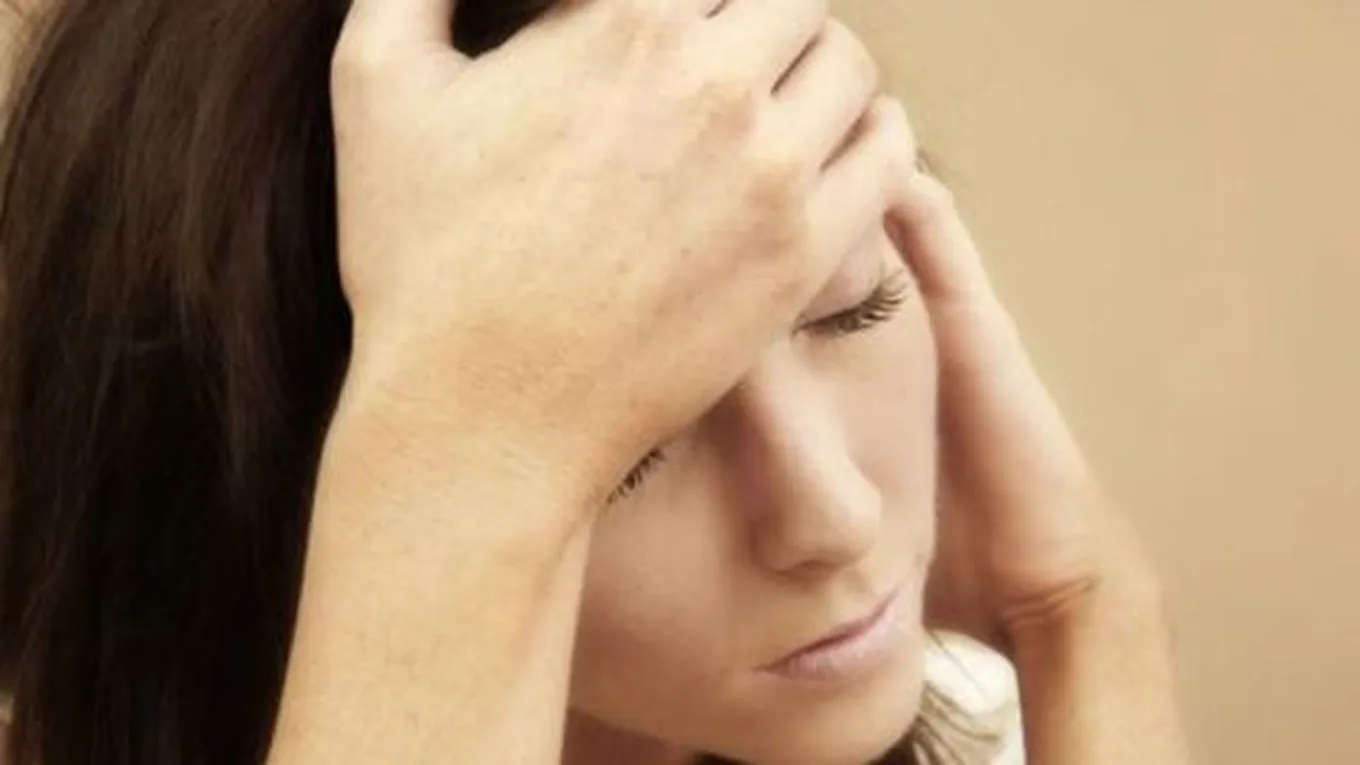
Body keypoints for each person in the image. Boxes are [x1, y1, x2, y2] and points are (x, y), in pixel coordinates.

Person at [0, 0, 1192, 763]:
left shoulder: (993, 717)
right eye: (634, 449)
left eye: (855, 307)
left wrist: (1085, 617)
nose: (832, 517)